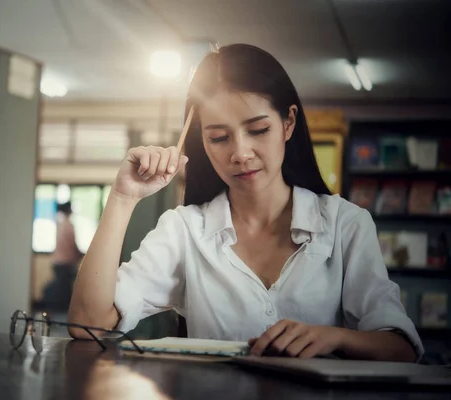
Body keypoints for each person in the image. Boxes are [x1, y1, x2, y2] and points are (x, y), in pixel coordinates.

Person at [67, 44, 423, 362]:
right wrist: (122, 197)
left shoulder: (345, 224)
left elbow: (401, 348)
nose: (240, 153)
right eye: (219, 137)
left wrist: (334, 337)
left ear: (288, 123)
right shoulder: (185, 230)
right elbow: (88, 325)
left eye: (258, 130)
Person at [41, 201, 82, 316]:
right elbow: (71, 245)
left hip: (58, 261)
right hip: (65, 262)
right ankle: (61, 314)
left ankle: (57, 311)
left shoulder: (60, 223)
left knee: (61, 287)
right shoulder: (68, 225)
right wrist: (79, 255)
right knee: (63, 290)